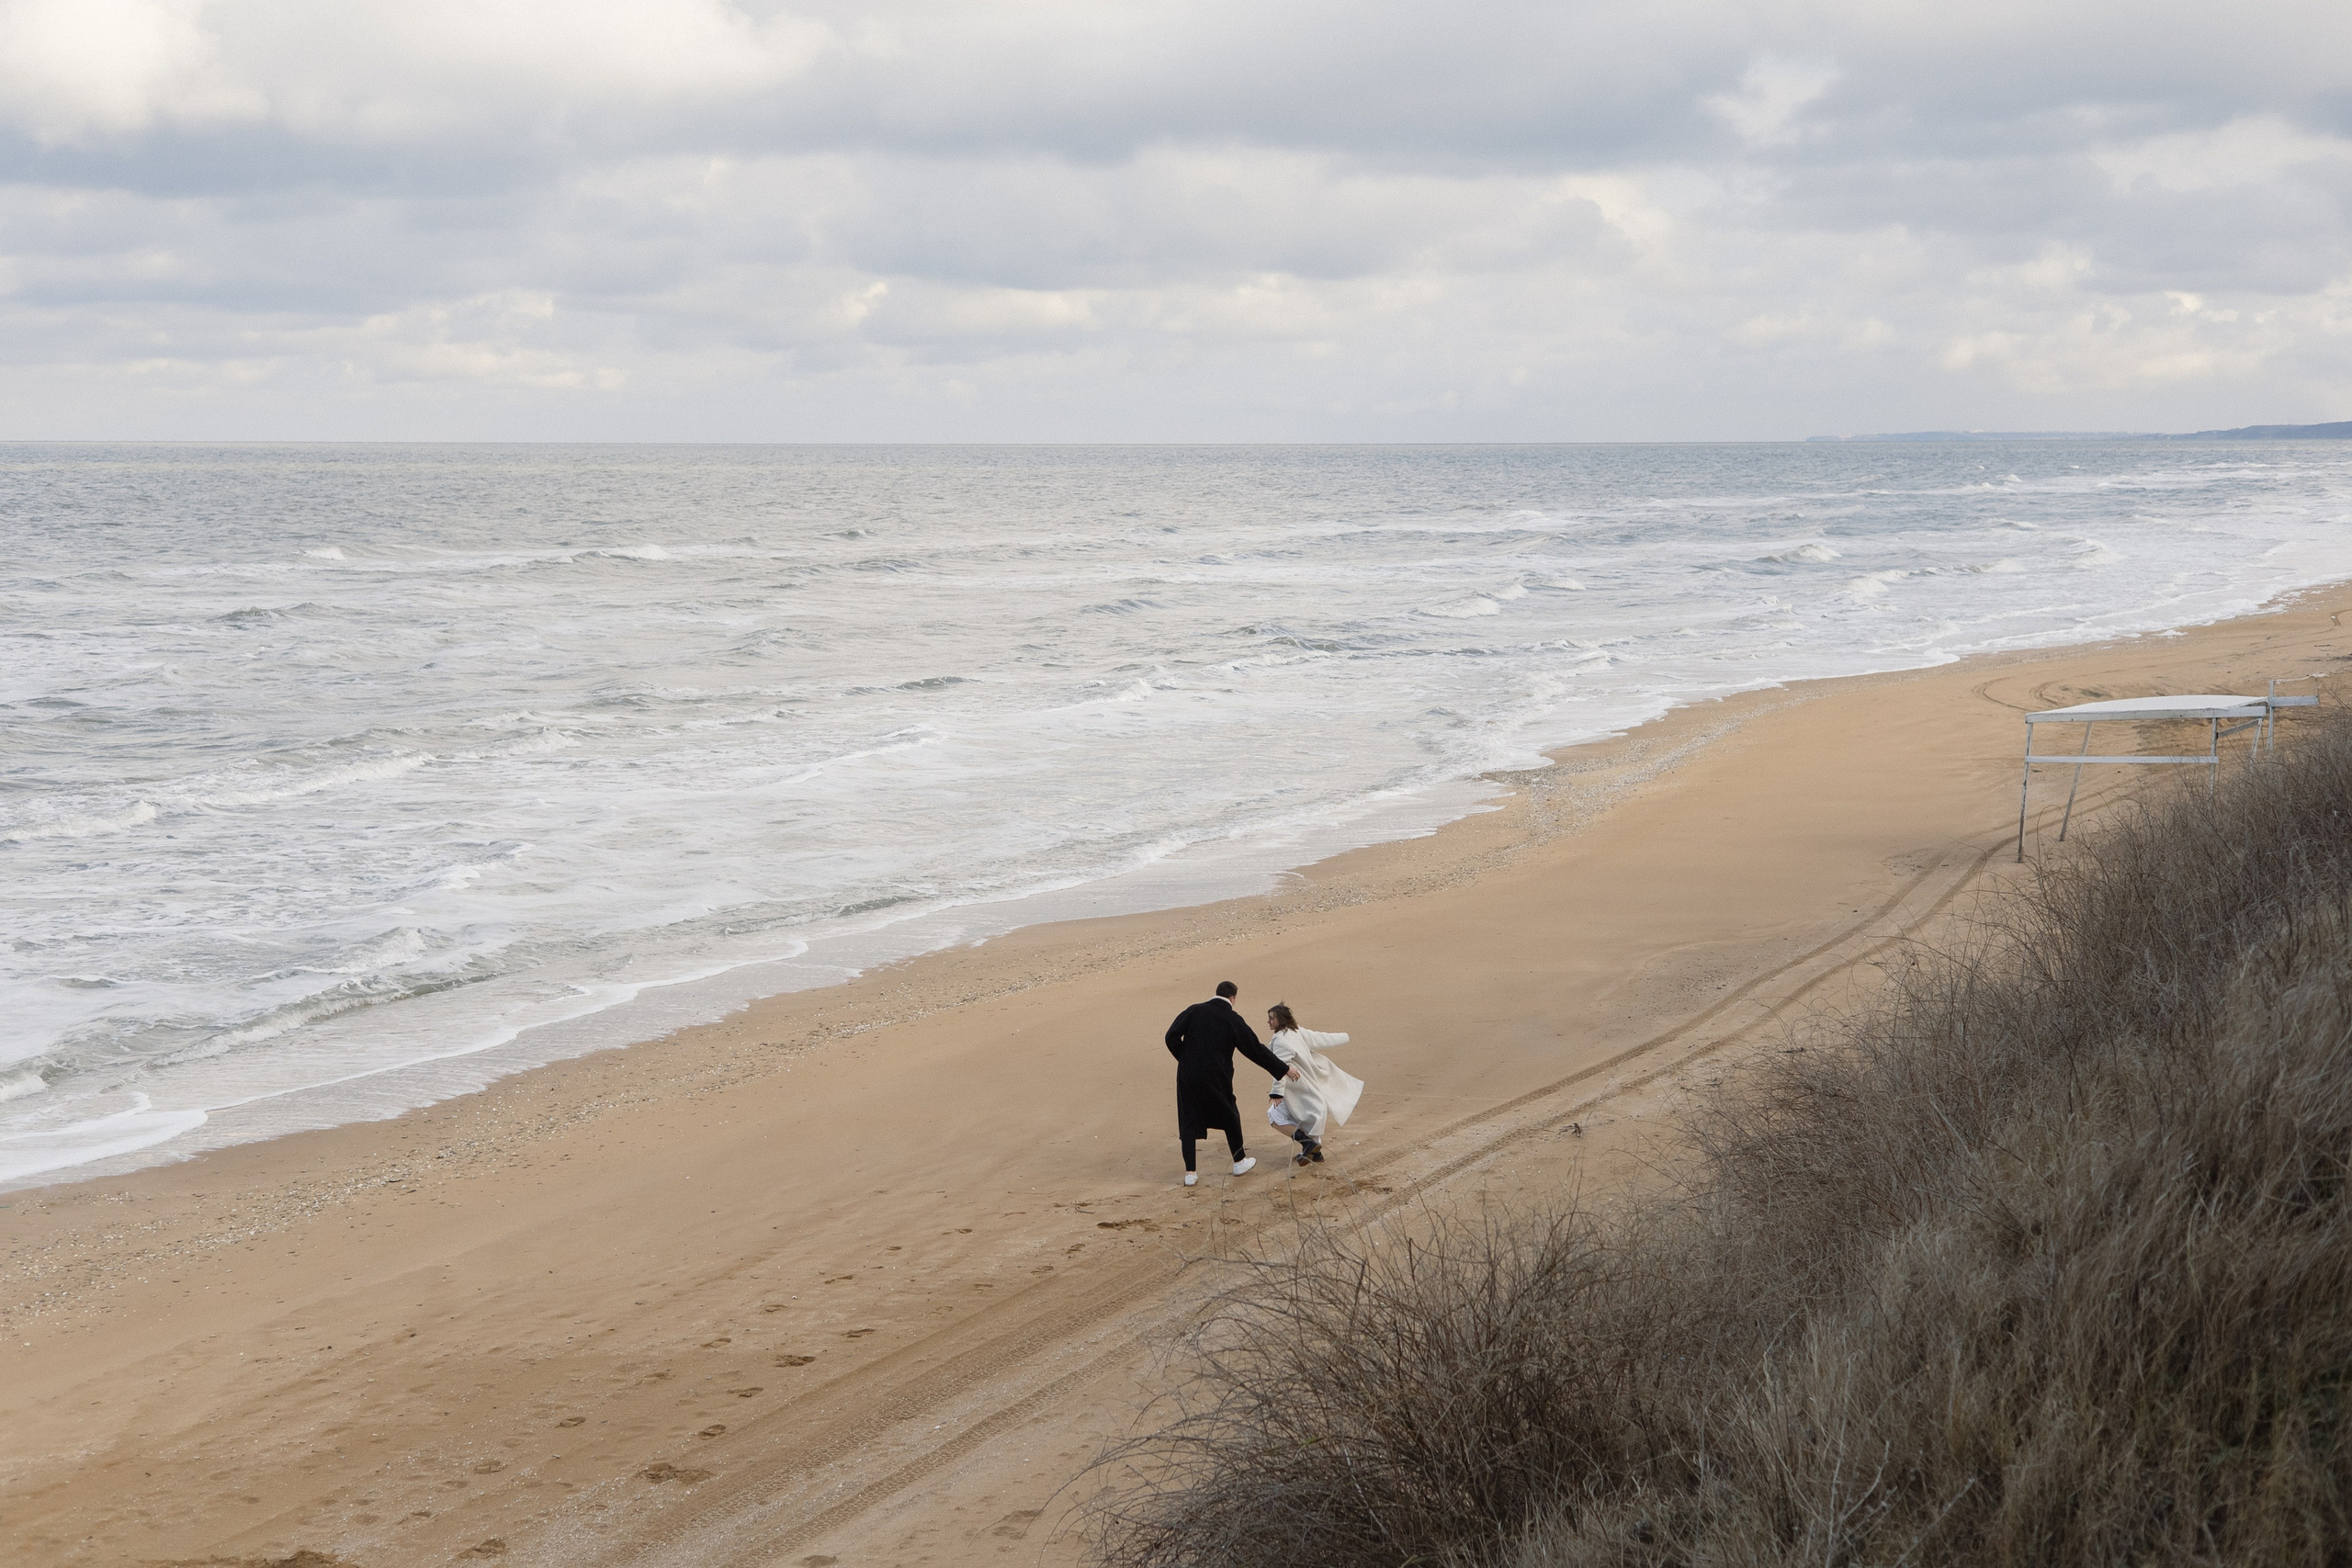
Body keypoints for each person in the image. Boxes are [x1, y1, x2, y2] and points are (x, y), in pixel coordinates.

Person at [1165, 981, 1296, 1186]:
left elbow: (1171, 1037)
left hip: (1188, 1075)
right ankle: (1239, 1161)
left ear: (1216, 994)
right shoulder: (1232, 1018)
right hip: (1217, 1075)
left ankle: (1190, 1174)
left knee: (1188, 1117)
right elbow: (1254, 1049)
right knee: (1229, 1114)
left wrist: (1185, 1060)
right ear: (1232, 998)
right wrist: (1283, 1069)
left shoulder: (1194, 1010)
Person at [1262, 1002, 1362, 1166]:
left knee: (1274, 1116)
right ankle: (1316, 1153)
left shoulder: (1281, 1041)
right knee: (1308, 1117)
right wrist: (1345, 1036)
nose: (1268, 1021)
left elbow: (1280, 1068)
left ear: (1280, 1020)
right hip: (1308, 1086)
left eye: (1271, 1018)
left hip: (1297, 1089)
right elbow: (1322, 1038)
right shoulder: (1297, 1031)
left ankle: (1307, 1144)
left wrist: (1276, 1093)